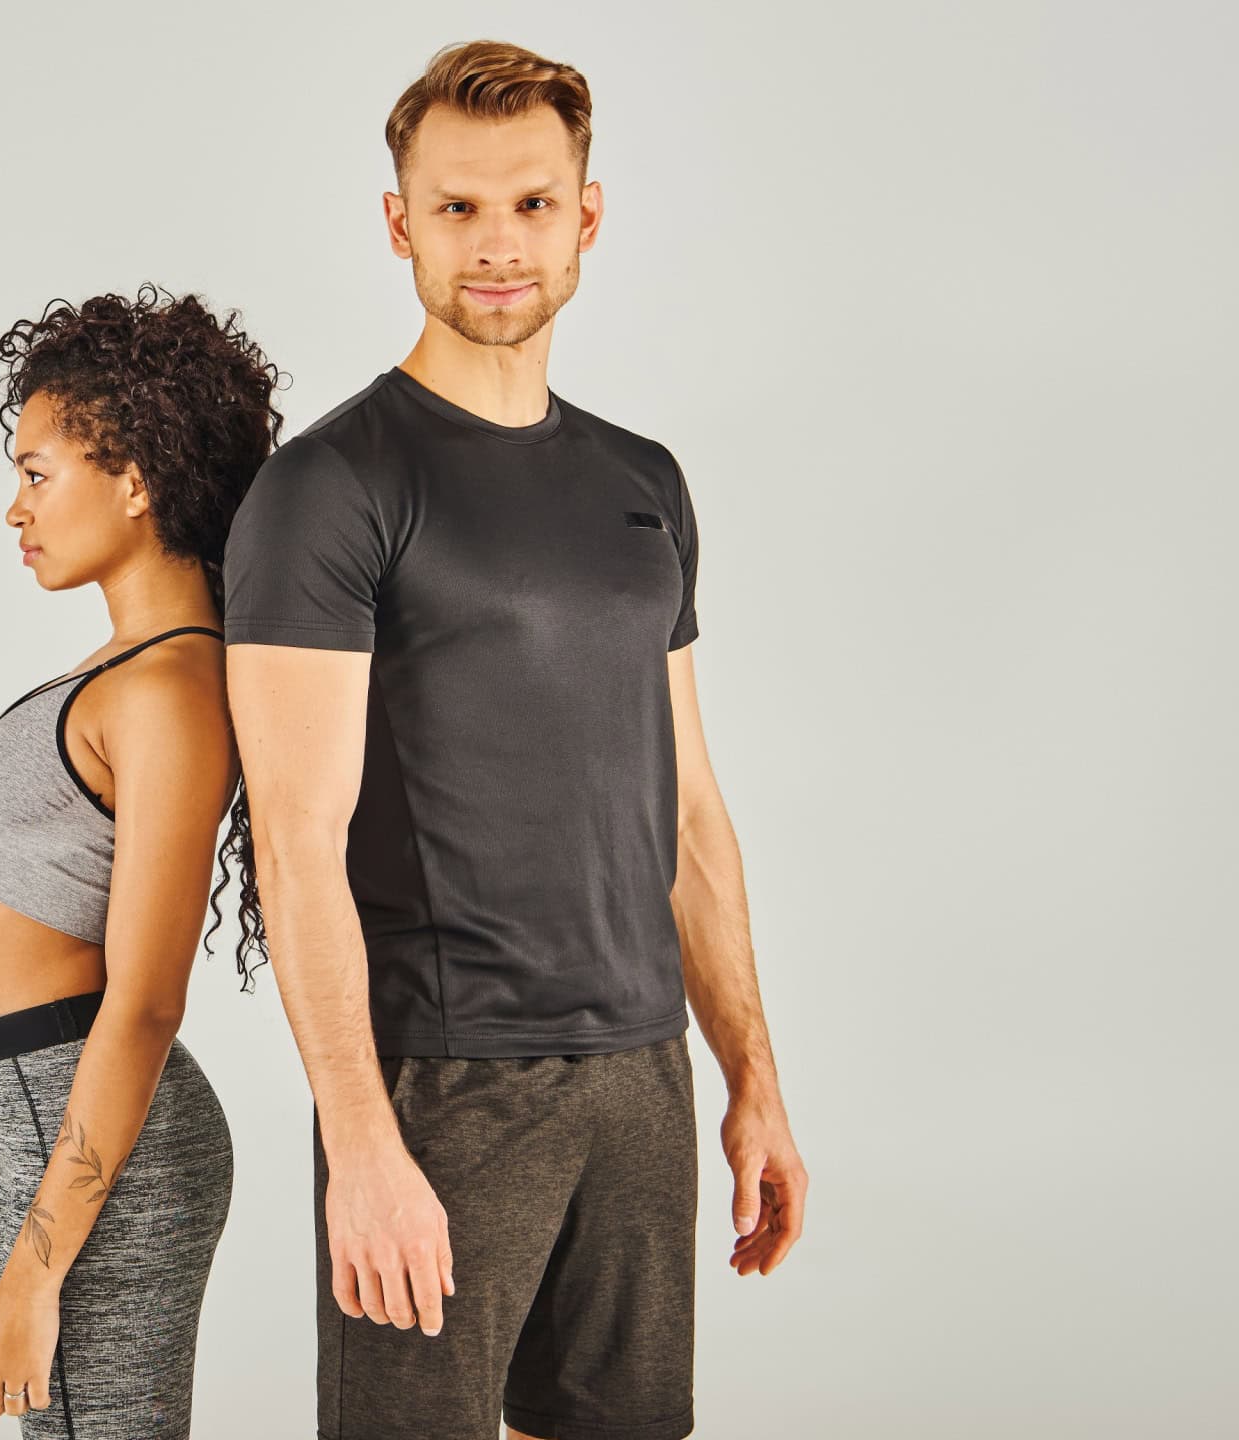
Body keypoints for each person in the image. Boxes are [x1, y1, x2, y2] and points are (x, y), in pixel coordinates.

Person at [219, 40, 810, 1440]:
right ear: (399, 222)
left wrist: (754, 1084)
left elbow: (691, 820)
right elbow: (296, 844)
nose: (498, 244)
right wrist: (360, 1144)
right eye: (460, 208)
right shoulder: (330, 489)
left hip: (640, 1072)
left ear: (587, 217)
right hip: (442, 1084)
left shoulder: (641, 482)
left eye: (534, 206)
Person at [0, 284, 284, 1437]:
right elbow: (76, 988)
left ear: (134, 479)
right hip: (70, 1147)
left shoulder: (168, 693)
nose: (15, 508)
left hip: (120, 1175)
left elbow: (141, 1004)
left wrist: (42, 1267)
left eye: (37, 473)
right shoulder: (133, 671)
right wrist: (15, 1176)